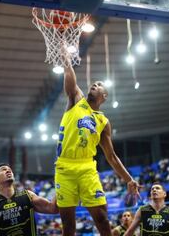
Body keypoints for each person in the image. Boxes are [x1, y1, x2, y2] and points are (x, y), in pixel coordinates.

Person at [55, 48, 140, 236]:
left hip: (87, 169)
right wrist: (66, 59)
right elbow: (70, 79)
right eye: (93, 83)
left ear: (105, 96)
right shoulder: (76, 100)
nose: (94, 84)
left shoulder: (103, 122)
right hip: (65, 168)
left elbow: (111, 156)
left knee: (102, 219)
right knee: (68, 225)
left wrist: (129, 179)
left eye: (99, 84)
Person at [0, 163, 58, 236]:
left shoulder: (28, 195)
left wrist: (61, 182)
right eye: (3, 169)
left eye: (10, 170)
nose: (8, 171)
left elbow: (52, 208)